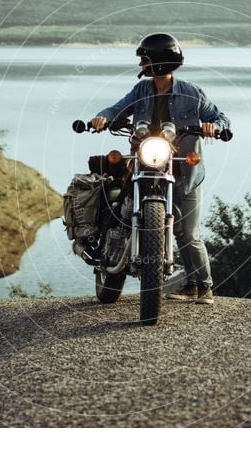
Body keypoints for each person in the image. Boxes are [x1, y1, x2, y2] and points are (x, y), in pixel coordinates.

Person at [90, 33, 230, 305]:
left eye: (145, 60)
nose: (141, 65)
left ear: (158, 63)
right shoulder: (141, 91)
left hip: (183, 172)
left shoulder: (191, 92)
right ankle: (113, 250)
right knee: (123, 210)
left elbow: (220, 117)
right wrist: (103, 117)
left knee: (187, 233)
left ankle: (201, 285)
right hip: (145, 164)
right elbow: (118, 108)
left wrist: (216, 128)